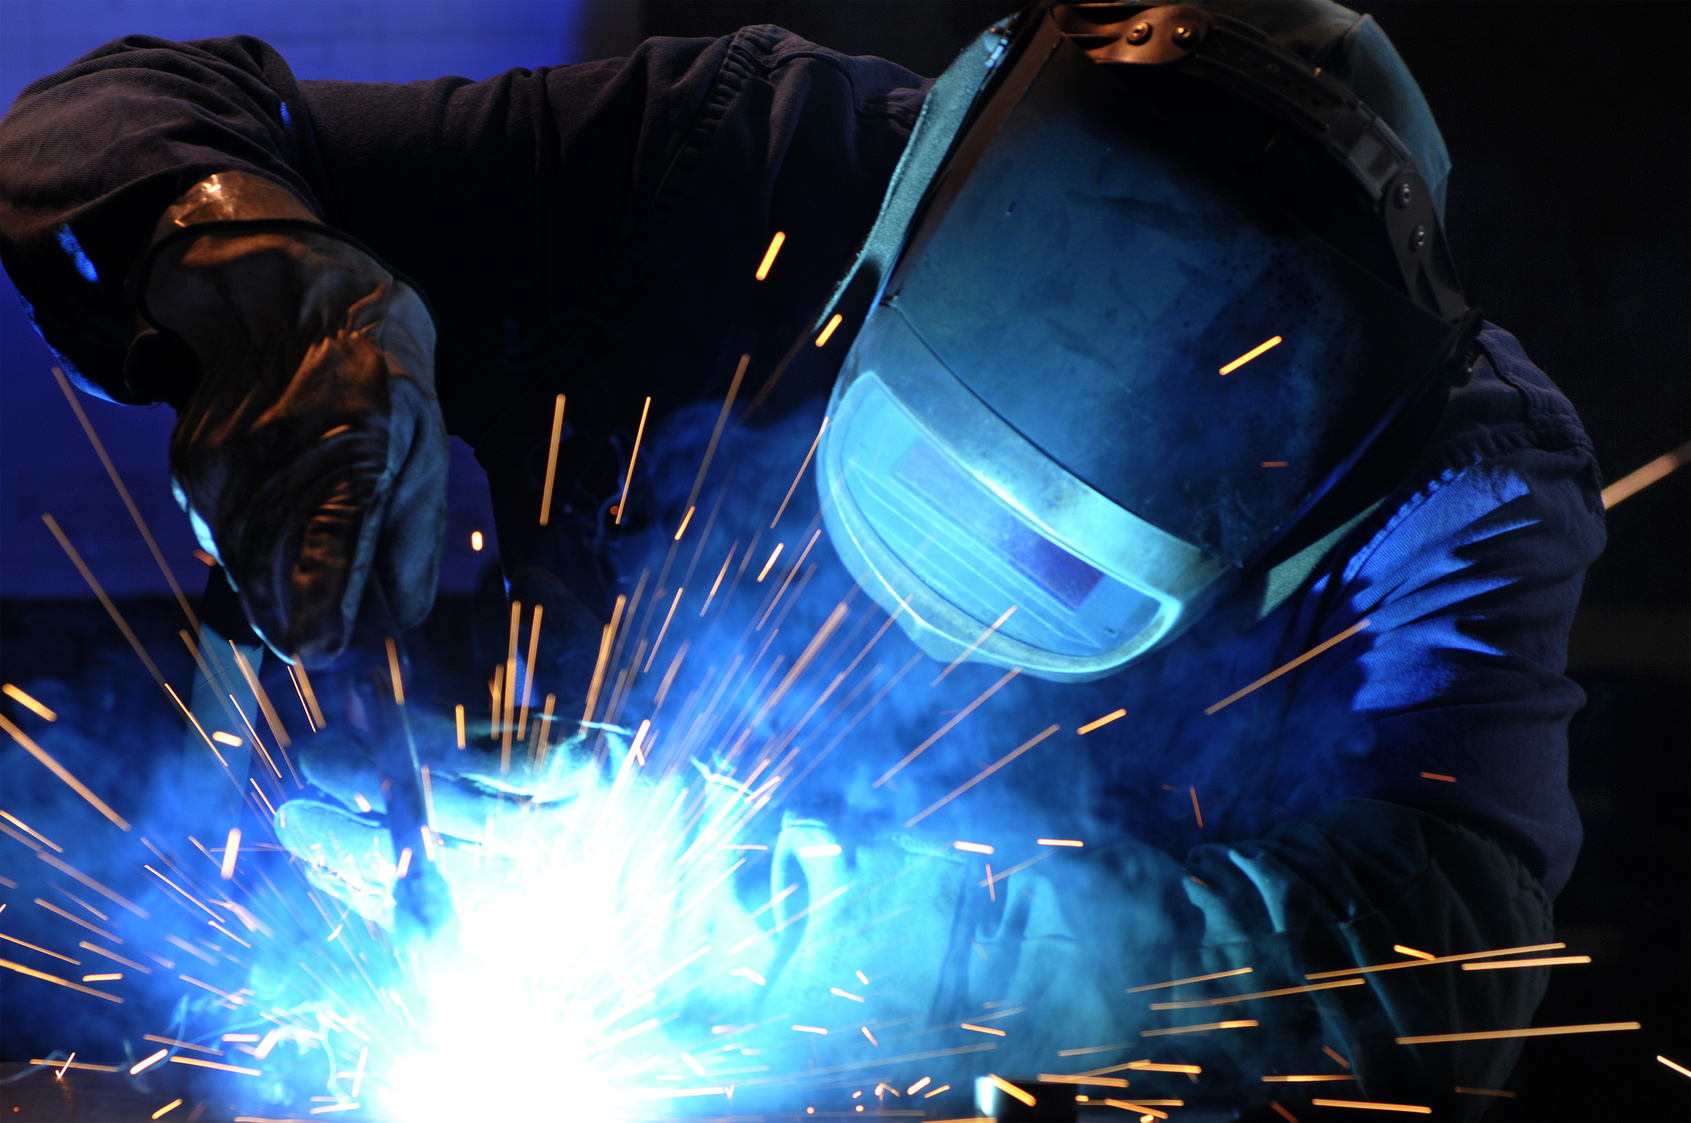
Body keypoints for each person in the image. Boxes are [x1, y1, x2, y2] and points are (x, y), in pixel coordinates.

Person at [0, 2, 1604, 1116]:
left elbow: (1435, 979)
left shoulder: (1450, 485)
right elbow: (120, 113)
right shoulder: (754, 161)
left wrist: (789, 908)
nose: (960, 589)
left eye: (1049, 565)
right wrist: (260, 285)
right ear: (905, 238)